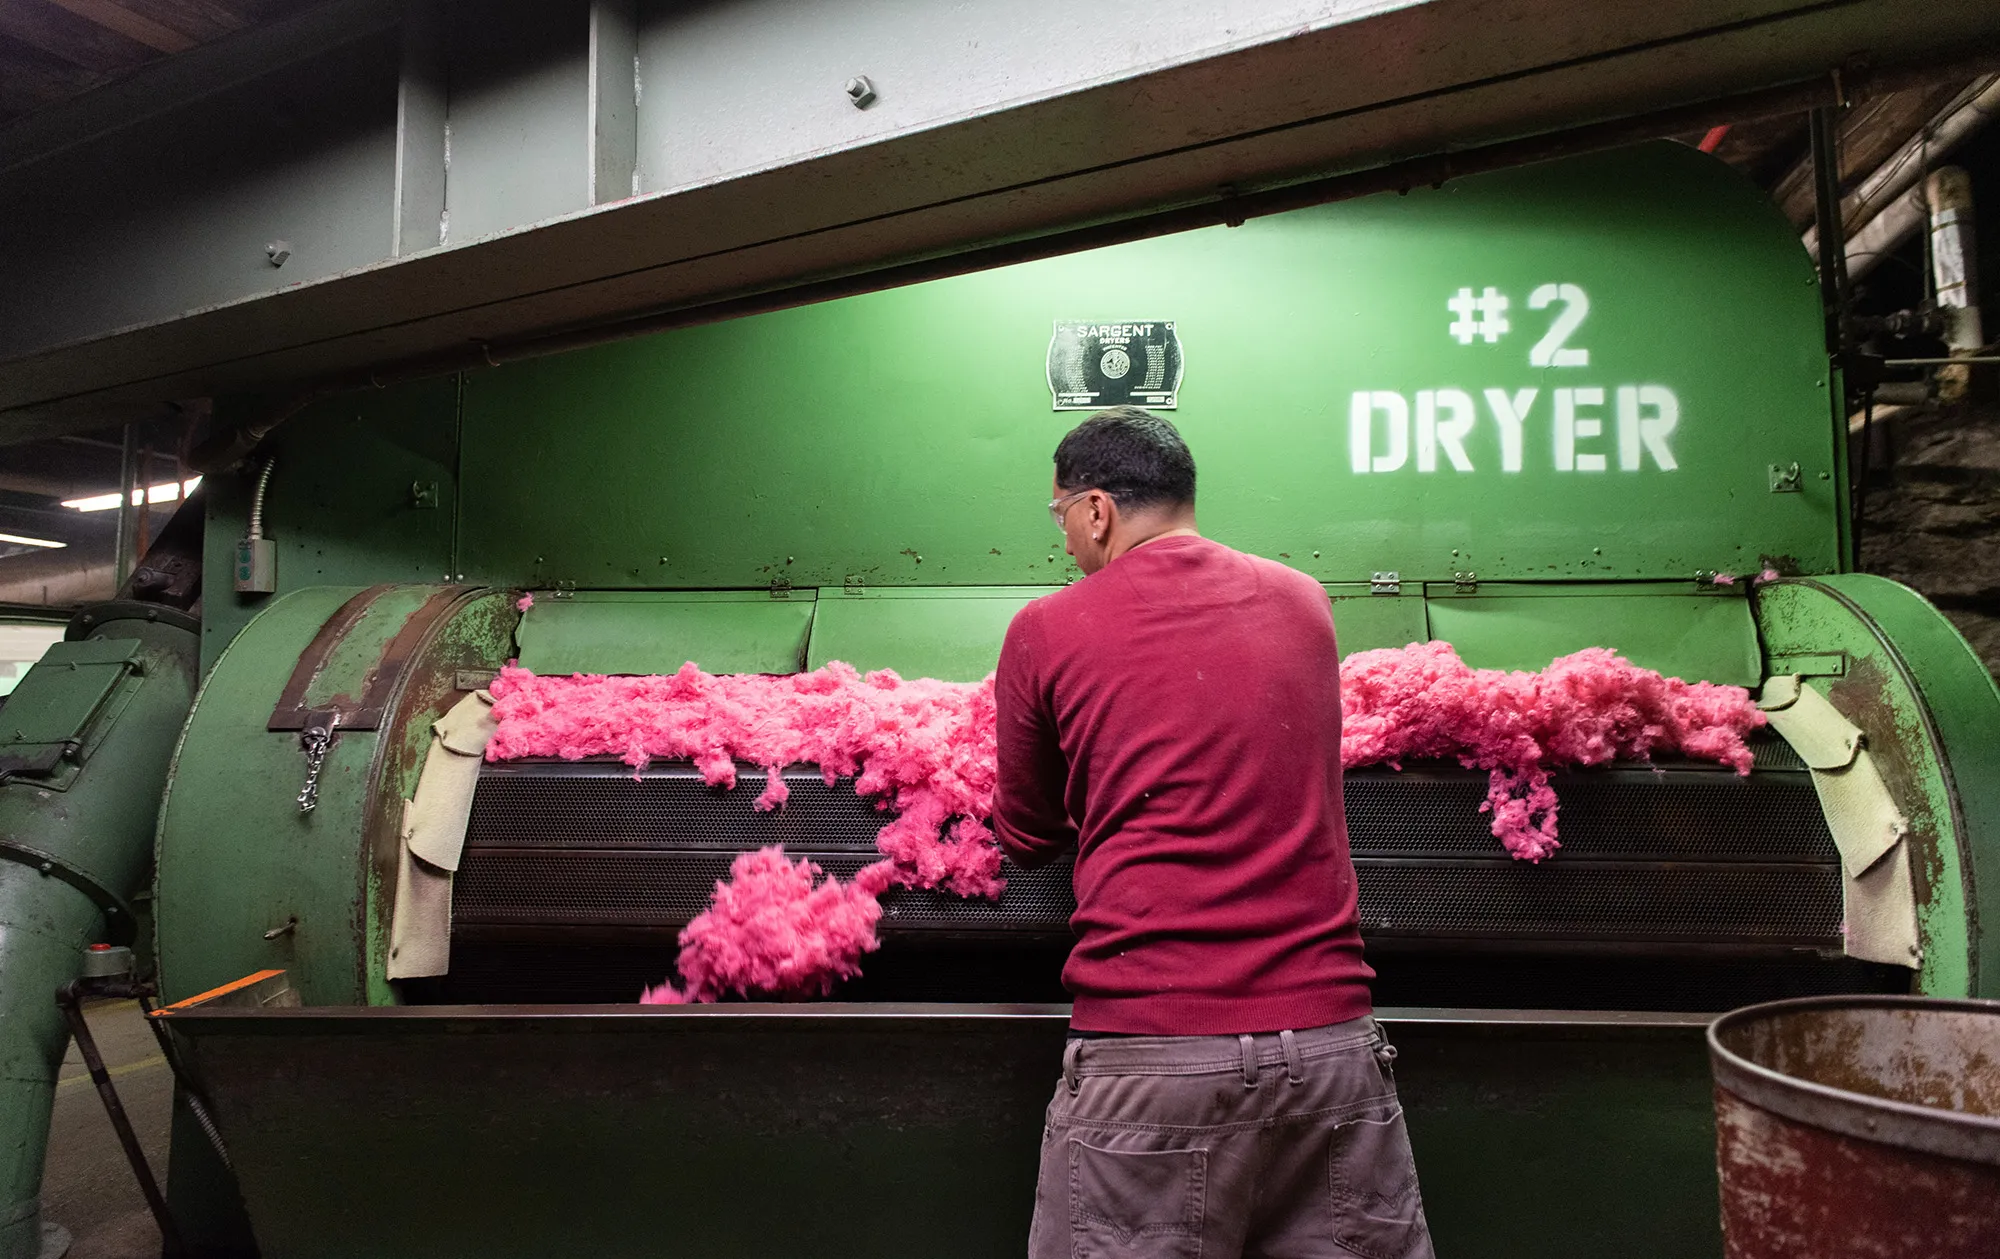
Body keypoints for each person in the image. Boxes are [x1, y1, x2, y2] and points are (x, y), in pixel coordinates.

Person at [993, 406, 1432, 1259]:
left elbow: (1026, 831)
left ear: (1096, 511)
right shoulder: (1305, 602)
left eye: (1062, 521)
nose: (1069, 546)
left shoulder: (1045, 630)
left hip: (1148, 1065)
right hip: (1333, 1055)